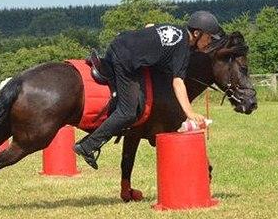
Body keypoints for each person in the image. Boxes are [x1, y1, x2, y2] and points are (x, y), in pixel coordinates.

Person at [74, 10, 223, 169]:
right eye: (208, 37)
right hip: (125, 60)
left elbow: (149, 26)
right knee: (128, 112)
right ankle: (87, 146)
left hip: (119, 43)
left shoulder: (176, 29)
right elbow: (178, 82)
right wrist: (190, 113)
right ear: (197, 33)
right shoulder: (183, 48)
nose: (209, 42)